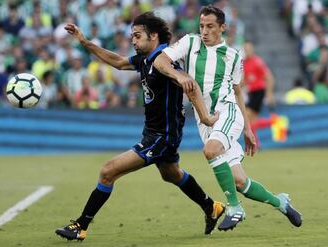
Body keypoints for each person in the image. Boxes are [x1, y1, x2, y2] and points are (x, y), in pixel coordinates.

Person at [55, 12, 223, 241]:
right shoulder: (145, 59)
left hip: (161, 137)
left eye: (137, 36)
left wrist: (204, 118)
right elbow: (118, 61)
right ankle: (211, 207)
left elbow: (189, 84)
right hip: (156, 133)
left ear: (153, 36)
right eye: (132, 36)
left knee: (108, 171)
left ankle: (80, 226)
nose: (133, 41)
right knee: (171, 174)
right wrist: (85, 43)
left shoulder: (165, 61)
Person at [154, 5, 302, 231]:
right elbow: (160, 62)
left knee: (211, 151)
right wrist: (179, 75)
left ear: (222, 27)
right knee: (240, 182)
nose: (204, 31)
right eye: (202, 26)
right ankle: (280, 202)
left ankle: (234, 208)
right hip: (205, 120)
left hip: (227, 110)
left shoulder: (233, 56)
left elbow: (237, 91)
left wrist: (248, 129)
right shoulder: (189, 43)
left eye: (210, 26)